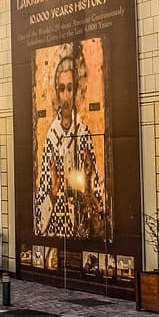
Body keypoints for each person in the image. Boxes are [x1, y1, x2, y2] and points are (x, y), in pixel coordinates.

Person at [34, 53, 106, 239]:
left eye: (70, 88)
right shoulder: (51, 136)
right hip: (56, 227)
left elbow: (96, 189)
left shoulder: (83, 132)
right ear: (56, 92)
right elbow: (40, 209)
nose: (65, 96)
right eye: (61, 89)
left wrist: (88, 187)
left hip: (80, 226)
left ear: (77, 91)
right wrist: (53, 190)